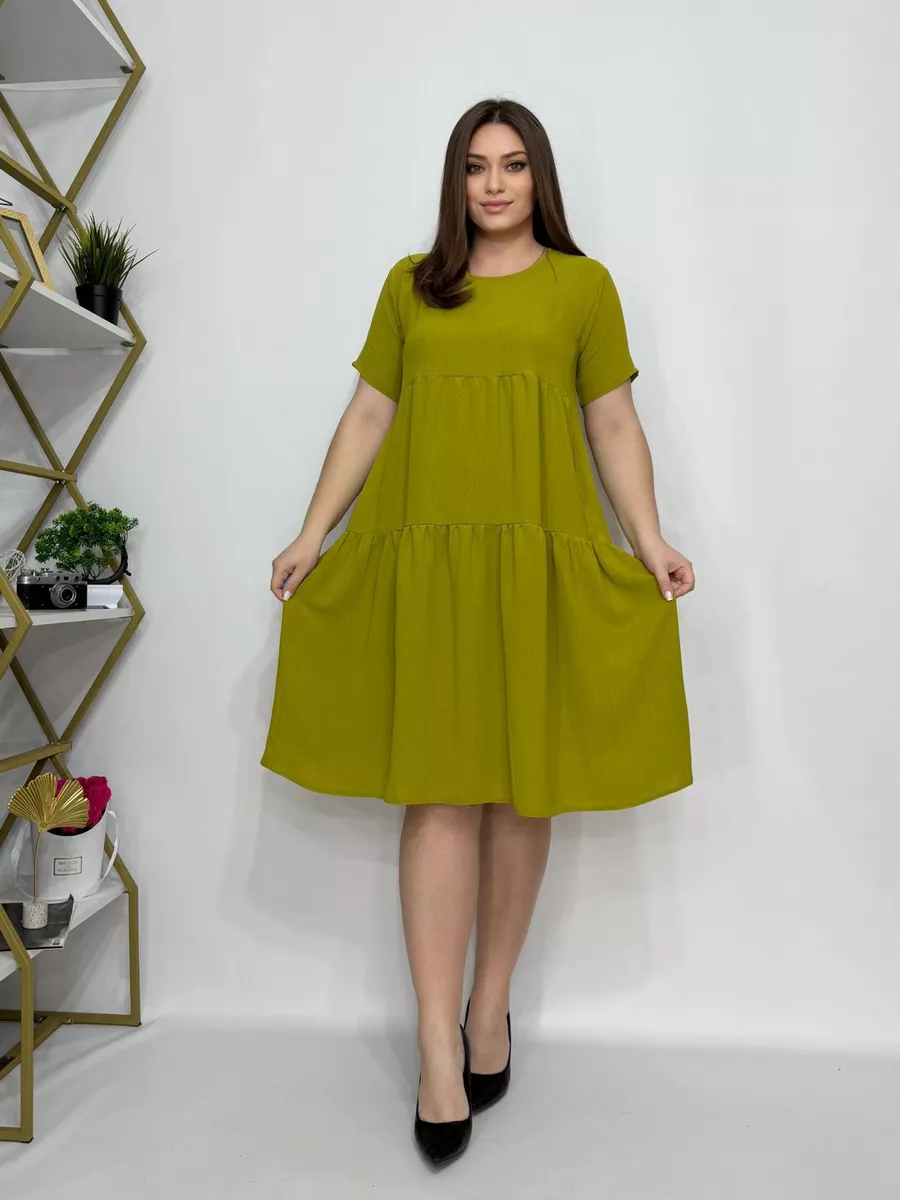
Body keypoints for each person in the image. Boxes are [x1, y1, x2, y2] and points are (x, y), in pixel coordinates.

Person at [262, 96, 694, 1168]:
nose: (493, 184)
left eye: (511, 164)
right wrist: (312, 533)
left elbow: (612, 421)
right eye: (474, 166)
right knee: (440, 795)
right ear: (455, 181)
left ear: (539, 176)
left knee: (519, 791)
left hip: (535, 561)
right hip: (430, 563)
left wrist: (650, 540)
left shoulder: (583, 288)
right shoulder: (411, 287)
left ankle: (488, 1006)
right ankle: (435, 1050)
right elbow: (371, 413)